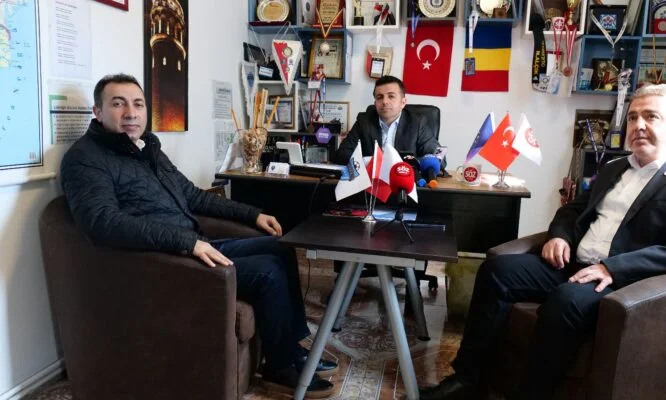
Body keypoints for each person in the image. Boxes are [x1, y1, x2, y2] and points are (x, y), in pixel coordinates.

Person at [420, 83, 666, 400]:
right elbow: (573, 210)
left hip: (622, 281)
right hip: (573, 263)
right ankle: (468, 380)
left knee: (567, 299)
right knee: (496, 271)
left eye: (651, 117)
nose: (638, 125)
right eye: (633, 117)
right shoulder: (615, 167)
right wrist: (559, 235)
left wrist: (614, 268)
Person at [60, 74, 336, 398]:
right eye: (118, 104)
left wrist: (253, 214)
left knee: (281, 247)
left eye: (138, 104)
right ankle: (281, 368)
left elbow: (192, 195)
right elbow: (102, 222)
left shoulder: (148, 149)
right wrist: (187, 243)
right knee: (267, 271)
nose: (131, 113)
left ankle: (292, 348)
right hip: (168, 260)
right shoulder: (85, 158)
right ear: (98, 111)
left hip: (195, 244)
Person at [334, 75, 442, 164]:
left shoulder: (417, 123)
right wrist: (371, 162)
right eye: (379, 97)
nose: (385, 102)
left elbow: (439, 157)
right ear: (375, 103)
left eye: (391, 96)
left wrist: (406, 163)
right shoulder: (364, 121)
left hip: (406, 180)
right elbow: (342, 155)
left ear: (403, 102)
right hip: (372, 181)